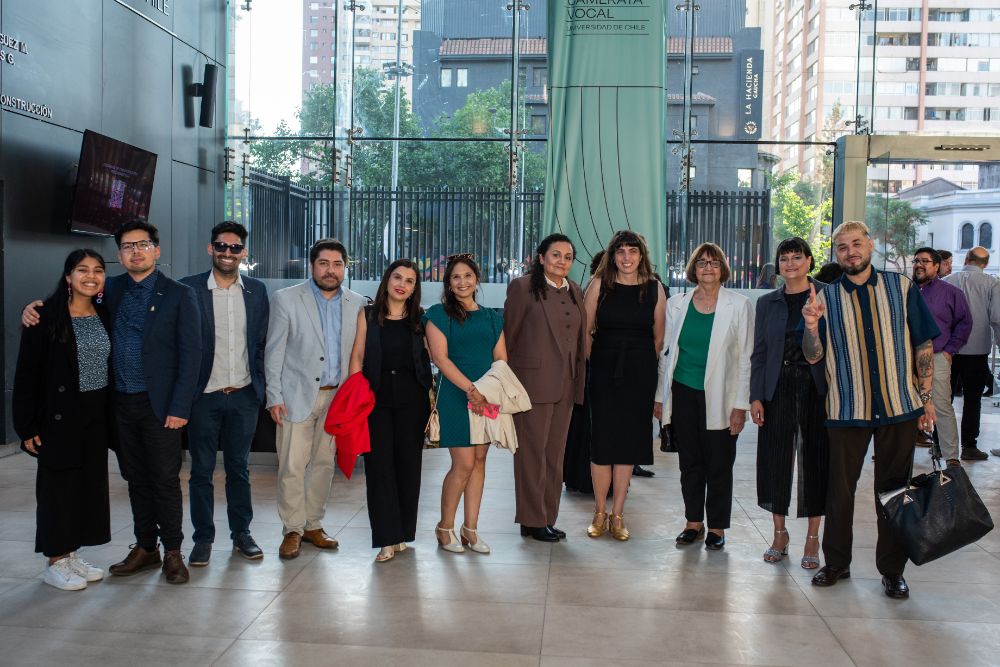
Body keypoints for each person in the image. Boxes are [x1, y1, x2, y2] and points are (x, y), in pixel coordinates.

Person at [21, 222, 203, 584]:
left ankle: (172, 552)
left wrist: (180, 408)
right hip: (116, 406)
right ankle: (145, 547)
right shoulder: (109, 290)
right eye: (127, 246)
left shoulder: (179, 294)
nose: (136, 251)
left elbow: (192, 354)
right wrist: (34, 308)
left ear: (157, 250)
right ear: (120, 255)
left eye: (143, 245)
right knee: (134, 478)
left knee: (165, 480)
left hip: (160, 407)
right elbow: (70, 306)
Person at [803, 221, 939, 600]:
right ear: (836, 254)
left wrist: (926, 401)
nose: (850, 252)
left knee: (894, 492)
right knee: (839, 491)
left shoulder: (901, 287)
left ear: (871, 245)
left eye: (856, 244)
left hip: (899, 406)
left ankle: (892, 571)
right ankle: (837, 563)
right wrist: (811, 326)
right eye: (842, 247)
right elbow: (813, 356)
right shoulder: (823, 298)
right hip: (847, 406)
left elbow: (923, 344)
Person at [13, 250, 113, 590]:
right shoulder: (44, 316)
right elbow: (26, 374)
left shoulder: (103, 311)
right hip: (59, 416)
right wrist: (26, 427)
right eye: (81, 269)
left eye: (97, 270)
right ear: (68, 276)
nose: (91, 276)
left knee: (87, 488)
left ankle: (70, 555)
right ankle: (55, 560)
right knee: (58, 489)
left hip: (95, 414)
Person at [265, 239, 363, 559]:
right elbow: (274, 351)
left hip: (338, 399)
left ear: (345, 267)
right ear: (312, 266)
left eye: (337, 264)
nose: (330, 270)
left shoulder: (358, 303)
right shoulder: (286, 299)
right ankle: (291, 529)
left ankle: (313, 525)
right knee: (292, 466)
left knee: (323, 464)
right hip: (295, 396)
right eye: (323, 263)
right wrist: (274, 396)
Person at [180, 221, 269, 566]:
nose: (227, 253)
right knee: (201, 470)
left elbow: (261, 343)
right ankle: (203, 539)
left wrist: (261, 389)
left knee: (239, 469)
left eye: (235, 247)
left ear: (243, 252)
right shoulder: (188, 289)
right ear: (210, 248)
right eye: (221, 246)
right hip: (205, 396)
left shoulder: (257, 291)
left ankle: (241, 534)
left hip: (244, 394)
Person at [658, 242, 752, 551]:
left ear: (723, 268)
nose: (707, 268)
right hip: (684, 393)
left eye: (713, 262)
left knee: (719, 465)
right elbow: (667, 353)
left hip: (722, 399)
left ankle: (717, 528)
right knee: (690, 463)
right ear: (693, 270)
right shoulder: (677, 303)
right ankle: (693, 523)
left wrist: (740, 406)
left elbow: (745, 358)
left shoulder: (738, 305)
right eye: (701, 263)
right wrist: (661, 396)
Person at [749, 238, 828, 568]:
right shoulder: (768, 302)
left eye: (798, 257)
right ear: (778, 264)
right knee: (775, 461)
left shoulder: (827, 296)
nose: (791, 263)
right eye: (785, 258)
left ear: (809, 261)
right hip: (777, 387)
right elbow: (760, 352)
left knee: (816, 461)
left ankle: (813, 537)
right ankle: (779, 533)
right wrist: (756, 395)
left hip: (817, 388)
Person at [504, 234, 587, 542]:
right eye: (555, 255)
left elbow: (579, 344)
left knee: (555, 455)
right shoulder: (523, 288)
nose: (562, 261)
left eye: (567, 256)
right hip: (531, 387)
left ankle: (546, 517)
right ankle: (531, 518)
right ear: (541, 258)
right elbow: (509, 337)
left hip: (566, 385)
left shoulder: (575, 290)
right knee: (531, 455)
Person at [348, 259, 432, 562]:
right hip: (376, 398)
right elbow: (357, 356)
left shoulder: (420, 319)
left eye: (410, 281)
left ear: (414, 289)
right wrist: (356, 396)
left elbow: (436, 355)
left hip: (413, 398)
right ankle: (386, 538)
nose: (402, 284)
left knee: (409, 468)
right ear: (387, 280)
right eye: (398, 277)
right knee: (379, 468)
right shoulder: (368, 315)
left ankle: (402, 535)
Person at [584, 231, 666, 541]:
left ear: (642, 256)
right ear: (613, 255)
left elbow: (659, 338)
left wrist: (641, 364)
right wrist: (599, 362)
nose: (627, 257)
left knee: (628, 445)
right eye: (621, 252)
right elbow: (585, 332)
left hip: (639, 373)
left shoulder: (655, 289)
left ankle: (618, 514)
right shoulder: (598, 286)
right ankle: (599, 512)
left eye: (633, 251)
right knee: (602, 445)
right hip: (604, 371)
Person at [424, 254, 507, 554]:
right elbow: (440, 358)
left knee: (481, 462)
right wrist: (471, 389)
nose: (462, 282)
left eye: (467, 276)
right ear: (448, 282)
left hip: (486, 396)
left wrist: (485, 391)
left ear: (477, 279)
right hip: (456, 395)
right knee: (464, 463)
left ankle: (470, 529)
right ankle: (445, 527)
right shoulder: (437, 314)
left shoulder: (492, 318)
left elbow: (501, 360)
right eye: (455, 277)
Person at [911, 247, 971, 467]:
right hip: (905, 359)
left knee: (942, 407)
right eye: (916, 260)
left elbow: (965, 323)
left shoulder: (951, 292)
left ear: (936, 266)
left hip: (937, 356)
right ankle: (896, 455)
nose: (919, 264)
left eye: (925, 261)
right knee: (904, 407)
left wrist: (949, 350)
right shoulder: (905, 290)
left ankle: (951, 457)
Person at [945, 246, 1000, 461]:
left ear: (967, 258)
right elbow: (996, 316)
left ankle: (940, 446)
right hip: (977, 350)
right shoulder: (992, 283)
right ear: (985, 264)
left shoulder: (948, 280)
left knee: (944, 400)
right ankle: (969, 446)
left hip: (948, 350)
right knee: (972, 400)